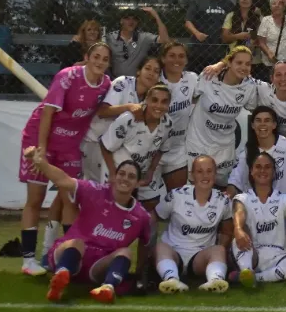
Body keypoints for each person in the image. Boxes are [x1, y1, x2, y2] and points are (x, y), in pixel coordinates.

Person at [19, 43, 112, 276]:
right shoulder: (67, 77)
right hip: (42, 139)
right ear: (86, 57)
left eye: (105, 59)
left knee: (70, 198)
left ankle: (69, 258)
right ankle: (28, 260)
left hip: (70, 146)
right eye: (96, 57)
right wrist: (40, 149)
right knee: (36, 197)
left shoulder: (106, 85)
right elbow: (48, 112)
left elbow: (104, 111)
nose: (100, 62)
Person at [22, 148, 150, 304]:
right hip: (71, 252)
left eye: (131, 176)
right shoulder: (94, 191)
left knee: (125, 252)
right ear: (114, 177)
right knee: (78, 242)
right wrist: (40, 162)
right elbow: (63, 180)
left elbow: (145, 243)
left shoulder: (141, 216)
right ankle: (60, 277)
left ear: (137, 184)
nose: (125, 179)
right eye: (121, 174)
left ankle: (107, 288)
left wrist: (140, 272)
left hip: (97, 267)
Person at [229, 152, 286, 286]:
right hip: (253, 253)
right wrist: (238, 229)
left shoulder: (283, 198)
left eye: (267, 167)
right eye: (258, 167)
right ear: (252, 171)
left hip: (279, 257)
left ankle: (256, 278)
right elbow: (239, 213)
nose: (262, 171)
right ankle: (246, 270)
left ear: (274, 172)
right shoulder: (242, 198)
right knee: (240, 233)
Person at [153, 155, 233, 294]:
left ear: (215, 174)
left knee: (219, 249)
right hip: (173, 252)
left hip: (199, 256)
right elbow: (155, 217)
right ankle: (171, 279)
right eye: (200, 171)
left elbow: (227, 232)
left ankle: (215, 280)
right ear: (192, 175)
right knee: (160, 246)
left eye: (209, 171)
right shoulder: (176, 195)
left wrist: (217, 255)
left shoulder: (223, 201)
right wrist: (149, 244)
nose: (205, 175)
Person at [80, 56, 162, 188]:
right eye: (148, 68)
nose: (151, 73)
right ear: (138, 71)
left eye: (156, 71)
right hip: (95, 142)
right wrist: (129, 107)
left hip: (115, 148)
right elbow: (102, 111)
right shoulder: (123, 83)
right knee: (95, 190)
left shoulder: (151, 98)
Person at [186, 46, 258, 188]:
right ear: (229, 63)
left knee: (221, 187)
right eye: (239, 63)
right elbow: (191, 98)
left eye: (248, 64)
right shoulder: (209, 76)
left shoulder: (250, 86)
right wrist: (219, 64)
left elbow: (252, 107)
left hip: (225, 145)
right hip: (198, 142)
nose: (243, 67)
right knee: (194, 187)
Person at [100, 84, 173, 210]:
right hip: (116, 171)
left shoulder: (168, 123)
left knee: (132, 211)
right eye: (154, 100)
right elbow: (105, 145)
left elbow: (161, 150)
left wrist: (150, 171)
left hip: (137, 175)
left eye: (164, 102)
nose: (159, 106)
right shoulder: (129, 120)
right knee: (109, 211)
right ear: (146, 101)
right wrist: (113, 174)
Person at [227, 106, 286, 199]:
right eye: (258, 120)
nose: (262, 124)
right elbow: (234, 181)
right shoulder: (246, 151)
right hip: (255, 208)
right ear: (252, 125)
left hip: (285, 207)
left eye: (267, 120)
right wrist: (228, 195)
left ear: (274, 125)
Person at [158, 41, 198, 191]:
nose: (177, 60)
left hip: (177, 149)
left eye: (181, 56)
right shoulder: (155, 79)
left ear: (186, 60)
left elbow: (199, 97)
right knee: (150, 202)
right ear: (163, 58)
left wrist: (218, 65)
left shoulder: (192, 79)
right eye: (172, 56)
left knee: (177, 197)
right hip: (153, 149)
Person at [185, 0, 233, 74]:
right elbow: (188, 21)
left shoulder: (227, 3)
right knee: (195, 78)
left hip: (219, 49)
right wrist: (197, 33)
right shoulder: (197, 1)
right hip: (198, 49)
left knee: (216, 80)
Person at [106, 8, 169, 78]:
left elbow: (165, 39)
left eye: (134, 19)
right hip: (115, 80)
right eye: (127, 18)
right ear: (121, 21)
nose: (131, 21)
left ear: (137, 22)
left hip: (136, 81)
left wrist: (156, 17)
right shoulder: (110, 37)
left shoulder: (144, 37)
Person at [221, 0, 265, 79]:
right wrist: (238, 36)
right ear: (238, 1)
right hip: (234, 57)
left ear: (252, 1)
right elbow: (225, 38)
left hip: (254, 59)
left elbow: (263, 35)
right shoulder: (231, 16)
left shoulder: (258, 16)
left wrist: (254, 40)